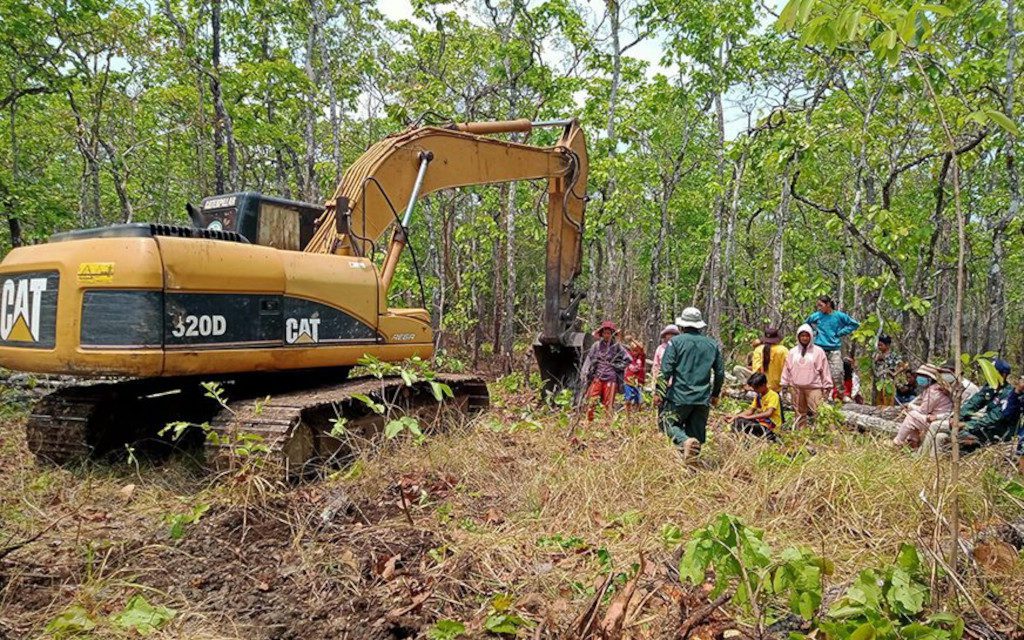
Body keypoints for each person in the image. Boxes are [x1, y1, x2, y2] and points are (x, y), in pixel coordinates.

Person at [655, 307, 724, 459]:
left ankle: (684, 441)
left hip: (679, 396)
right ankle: (691, 468)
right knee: (696, 435)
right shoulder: (712, 344)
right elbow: (719, 373)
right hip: (702, 398)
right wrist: (715, 394)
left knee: (666, 422)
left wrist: (659, 392)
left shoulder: (675, 342)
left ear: (682, 325)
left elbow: (665, 370)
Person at [957, 359, 1024, 453]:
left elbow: (995, 417)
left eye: (991, 372)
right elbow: (973, 403)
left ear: (1003, 375)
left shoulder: (1009, 393)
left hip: (1000, 431)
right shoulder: (989, 388)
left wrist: (968, 425)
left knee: (962, 433)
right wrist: (957, 417)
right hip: (986, 426)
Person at [805, 295, 859, 399]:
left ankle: (841, 394)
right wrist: (814, 333)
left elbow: (854, 324)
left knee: (837, 372)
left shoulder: (839, 316)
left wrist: (840, 332)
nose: (819, 308)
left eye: (821, 305)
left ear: (828, 304)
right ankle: (820, 396)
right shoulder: (816, 316)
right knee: (817, 373)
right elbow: (806, 325)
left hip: (834, 348)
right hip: (819, 348)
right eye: (818, 306)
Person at [780, 324, 832, 429]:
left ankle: (825, 432)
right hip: (796, 387)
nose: (804, 338)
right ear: (798, 337)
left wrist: (827, 385)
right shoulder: (793, 352)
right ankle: (801, 432)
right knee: (799, 413)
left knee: (819, 411)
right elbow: (787, 368)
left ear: (811, 337)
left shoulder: (818, 351)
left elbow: (825, 370)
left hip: (814, 387)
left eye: (807, 336)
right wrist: (784, 384)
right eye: (802, 336)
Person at [892, 365, 953, 449]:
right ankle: (913, 442)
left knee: (912, 416)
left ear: (929, 378)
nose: (919, 378)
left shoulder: (933, 391)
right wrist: (910, 405)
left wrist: (910, 406)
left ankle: (897, 442)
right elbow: (919, 399)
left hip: (938, 420)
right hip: (937, 418)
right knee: (912, 416)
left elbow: (924, 410)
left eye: (922, 376)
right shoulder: (931, 389)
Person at [580, 321, 631, 421]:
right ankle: (589, 422)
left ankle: (607, 425)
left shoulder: (616, 346)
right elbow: (589, 359)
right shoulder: (596, 345)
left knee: (608, 403)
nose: (606, 335)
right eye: (605, 333)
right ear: (602, 334)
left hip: (611, 378)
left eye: (608, 333)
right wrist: (584, 371)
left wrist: (618, 366)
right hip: (598, 376)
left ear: (612, 334)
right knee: (591, 400)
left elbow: (628, 358)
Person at [729, 372, 782, 441]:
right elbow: (750, 411)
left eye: (756, 388)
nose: (754, 390)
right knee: (738, 421)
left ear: (763, 385)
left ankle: (773, 437)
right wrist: (735, 416)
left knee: (743, 423)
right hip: (762, 423)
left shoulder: (773, 395)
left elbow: (769, 413)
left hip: (771, 427)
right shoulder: (759, 396)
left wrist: (749, 417)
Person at [751, 327, 788, 392]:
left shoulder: (758, 350)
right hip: (779, 386)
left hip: (763, 387)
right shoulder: (783, 350)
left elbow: (756, 370)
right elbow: (788, 369)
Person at [872, 335, 903, 406]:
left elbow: (903, 366)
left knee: (888, 401)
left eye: (881, 345)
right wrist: (876, 360)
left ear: (887, 345)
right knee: (879, 402)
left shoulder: (893, 355)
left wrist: (895, 373)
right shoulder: (877, 355)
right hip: (879, 382)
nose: (879, 347)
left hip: (888, 382)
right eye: (878, 345)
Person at [623, 339, 646, 413]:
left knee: (639, 400)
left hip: (639, 382)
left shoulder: (641, 356)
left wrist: (632, 339)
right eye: (633, 350)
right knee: (628, 398)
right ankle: (628, 414)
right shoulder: (630, 355)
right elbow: (621, 346)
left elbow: (641, 347)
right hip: (629, 381)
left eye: (637, 350)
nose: (635, 352)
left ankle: (637, 415)